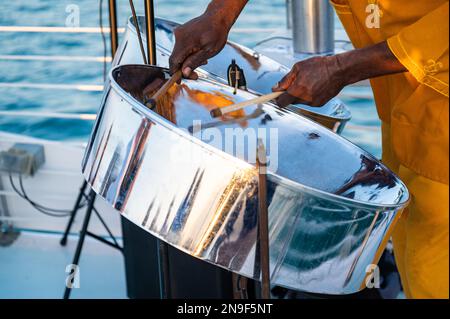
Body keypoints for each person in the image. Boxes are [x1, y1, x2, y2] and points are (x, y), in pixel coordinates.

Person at [168, 0, 449, 299]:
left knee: (432, 276)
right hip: (405, 108)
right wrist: (220, 14)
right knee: (413, 262)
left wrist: (341, 68)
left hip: (440, 125)